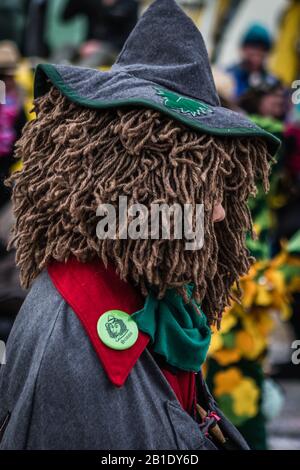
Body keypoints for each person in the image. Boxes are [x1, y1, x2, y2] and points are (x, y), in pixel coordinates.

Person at [0, 0, 280, 450]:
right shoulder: (71, 347)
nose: (221, 213)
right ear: (140, 182)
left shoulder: (153, 301)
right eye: (202, 190)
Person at [227, 23, 279, 100]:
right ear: (243, 48)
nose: (257, 53)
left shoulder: (273, 83)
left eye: (262, 49)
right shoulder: (226, 76)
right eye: (253, 47)